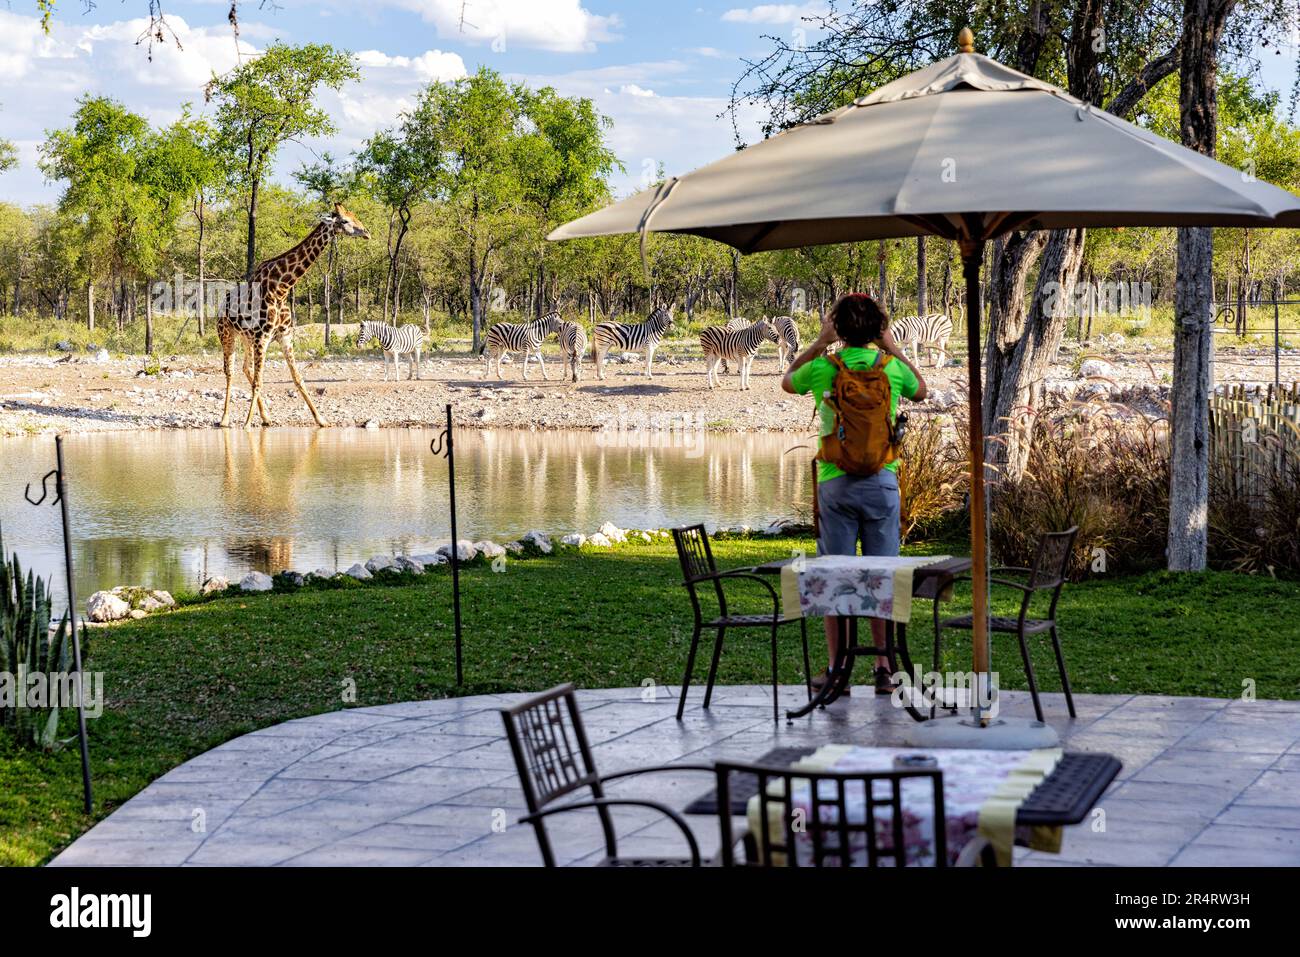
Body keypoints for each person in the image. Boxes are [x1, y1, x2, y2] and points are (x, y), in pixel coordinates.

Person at [782, 293, 927, 694]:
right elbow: (923, 392)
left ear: (838, 328)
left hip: (835, 482)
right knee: (883, 576)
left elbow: (785, 382)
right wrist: (892, 347)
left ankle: (837, 669)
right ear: (878, 328)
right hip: (882, 482)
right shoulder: (892, 368)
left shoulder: (822, 368)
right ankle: (884, 668)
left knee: (835, 575)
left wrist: (818, 342)